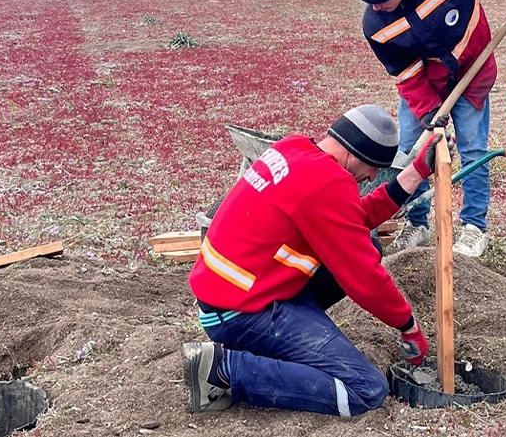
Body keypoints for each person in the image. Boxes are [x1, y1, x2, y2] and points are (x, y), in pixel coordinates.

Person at [183, 105, 447, 416]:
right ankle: (224, 369)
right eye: (374, 167)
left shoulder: (295, 148)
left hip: (234, 291)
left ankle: (273, 343)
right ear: (354, 152)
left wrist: (415, 173)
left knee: (369, 245)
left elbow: (353, 220)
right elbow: (364, 277)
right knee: (365, 389)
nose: (374, 176)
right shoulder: (327, 183)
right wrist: (408, 326)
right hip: (238, 314)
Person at [354, 0, 506, 258]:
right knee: (411, 151)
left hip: (472, 74)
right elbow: (405, 74)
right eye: (370, 1)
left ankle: (474, 227)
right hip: (425, 85)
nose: (376, 7)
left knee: (473, 149)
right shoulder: (376, 23)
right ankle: (418, 224)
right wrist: (430, 114)